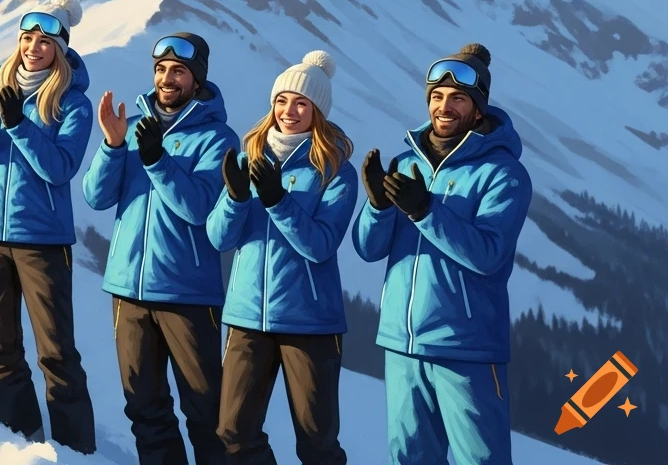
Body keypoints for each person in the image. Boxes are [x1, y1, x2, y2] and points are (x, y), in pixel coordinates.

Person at [351, 44, 531, 465]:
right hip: (403, 343)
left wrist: (425, 210)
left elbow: (489, 254)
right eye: (436, 96)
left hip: (466, 348)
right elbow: (368, 248)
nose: (444, 106)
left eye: (458, 98)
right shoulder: (404, 162)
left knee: (479, 461)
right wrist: (377, 207)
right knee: (409, 458)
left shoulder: (503, 174)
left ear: (478, 108)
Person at [83, 32, 238, 464]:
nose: (167, 79)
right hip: (127, 291)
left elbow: (199, 208)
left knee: (206, 411)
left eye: (179, 71)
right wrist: (114, 145)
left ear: (197, 78)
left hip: (187, 294)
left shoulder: (218, 139)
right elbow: (95, 196)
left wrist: (156, 160)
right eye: (161, 70)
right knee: (145, 409)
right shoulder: (132, 127)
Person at [0, 0, 96, 454]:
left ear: (61, 48)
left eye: (45, 40)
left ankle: (75, 452)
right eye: (27, 38)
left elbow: (60, 168)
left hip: (42, 242)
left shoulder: (73, 103)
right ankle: (22, 441)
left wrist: (17, 124)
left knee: (56, 353)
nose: (34, 47)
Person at [207, 50, 357, 465]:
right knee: (233, 433)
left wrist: (276, 201)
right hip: (246, 317)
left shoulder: (334, 169)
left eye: (301, 103)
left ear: (318, 111)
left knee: (317, 444)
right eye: (281, 100)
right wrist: (237, 197)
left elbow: (321, 244)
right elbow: (219, 238)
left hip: (310, 323)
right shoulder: (247, 158)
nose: (288, 111)